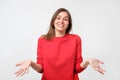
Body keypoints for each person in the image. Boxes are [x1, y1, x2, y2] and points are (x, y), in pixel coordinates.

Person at [14, 8, 105, 80]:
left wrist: (87, 61)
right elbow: (41, 69)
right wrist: (31, 63)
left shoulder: (76, 39)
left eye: (65, 19)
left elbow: (76, 68)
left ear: (68, 24)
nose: (61, 21)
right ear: (53, 21)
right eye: (58, 18)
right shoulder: (42, 40)